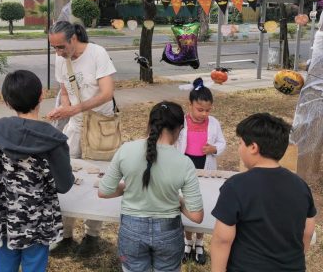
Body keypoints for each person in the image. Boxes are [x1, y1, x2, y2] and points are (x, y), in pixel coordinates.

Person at [0, 70, 74, 272]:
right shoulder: (54, 139)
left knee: (5, 264)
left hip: (4, 218)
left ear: (7, 102)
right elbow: (64, 185)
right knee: (35, 265)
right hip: (39, 220)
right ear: (42, 95)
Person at [98, 101, 204, 272]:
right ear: (179, 129)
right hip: (169, 232)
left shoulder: (126, 150)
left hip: (131, 230)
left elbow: (104, 191)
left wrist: (130, 186)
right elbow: (196, 216)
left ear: (149, 124)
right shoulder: (185, 163)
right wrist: (176, 199)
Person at [211, 113, 316, 272]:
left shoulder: (235, 186)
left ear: (253, 147)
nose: (239, 149)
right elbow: (308, 231)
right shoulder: (301, 186)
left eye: (240, 143)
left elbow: (222, 239)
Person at [47, 20, 116, 256]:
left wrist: (74, 109)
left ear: (73, 39)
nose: (58, 52)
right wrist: (64, 109)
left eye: (61, 47)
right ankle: (65, 235)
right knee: (65, 175)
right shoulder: (60, 59)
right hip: (75, 125)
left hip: (100, 126)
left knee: (97, 177)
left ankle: (92, 236)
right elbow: (65, 91)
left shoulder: (97, 53)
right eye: (54, 48)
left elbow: (107, 93)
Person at [177, 77, 226, 265]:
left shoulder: (213, 123)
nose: (204, 114)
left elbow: (222, 142)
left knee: (203, 202)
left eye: (208, 110)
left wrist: (214, 149)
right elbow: (174, 143)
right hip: (186, 167)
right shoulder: (181, 123)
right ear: (189, 105)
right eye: (200, 109)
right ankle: (187, 241)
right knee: (188, 203)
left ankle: (199, 242)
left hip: (205, 167)